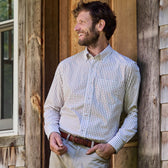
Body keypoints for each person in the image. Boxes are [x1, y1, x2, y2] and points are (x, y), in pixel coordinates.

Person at [44, 1, 141, 168]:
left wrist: (112, 146)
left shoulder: (127, 68)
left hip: (93, 157)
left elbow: (133, 114)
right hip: (61, 153)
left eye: (82, 22)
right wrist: (52, 132)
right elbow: (51, 107)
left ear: (100, 25)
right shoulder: (66, 67)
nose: (76, 28)